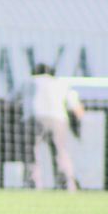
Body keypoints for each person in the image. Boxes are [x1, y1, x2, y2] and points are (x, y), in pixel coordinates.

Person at [18, 63, 84, 192]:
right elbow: (76, 107)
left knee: (31, 153)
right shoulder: (60, 83)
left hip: (33, 118)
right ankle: (66, 186)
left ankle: (32, 186)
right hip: (58, 119)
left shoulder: (28, 82)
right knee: (60, 153)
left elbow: (11, 99)